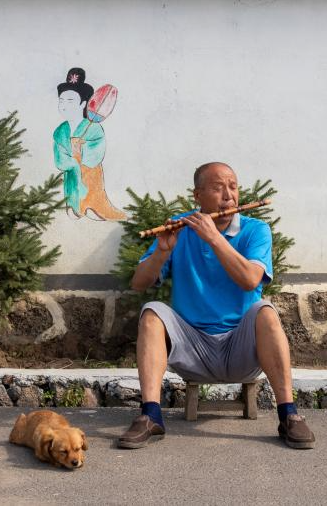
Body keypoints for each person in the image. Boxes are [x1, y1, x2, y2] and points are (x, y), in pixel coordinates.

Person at [117, 162, 315, 450]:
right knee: (151, 312)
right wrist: (161, 252)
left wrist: (213, 238)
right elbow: (138, 283)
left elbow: (250, 280)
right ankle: (150, 416)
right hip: (193, 350)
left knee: (266, 311)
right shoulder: (181, 227)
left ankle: (289, 415)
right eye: (218, 188)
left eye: (233, 187)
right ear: (197, 195)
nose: (228, 195)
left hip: (241, 349)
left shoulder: (256, 230)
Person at [53, 67, 125, 220]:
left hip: (89, 170)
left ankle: (93, 206)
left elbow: (97, 150)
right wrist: (71, 161)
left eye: (70, 101)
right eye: (61, 101)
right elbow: (59, 155)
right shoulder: (61, 131)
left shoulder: (93, 128)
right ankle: (74, 206)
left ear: (83, 104)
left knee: (91, 187)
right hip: (72, 172)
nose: (64, 105)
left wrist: (81, 150)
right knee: (72, 189)